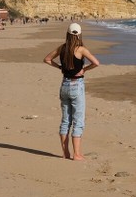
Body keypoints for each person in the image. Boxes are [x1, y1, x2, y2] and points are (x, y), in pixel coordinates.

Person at [43, 22, 100, 160]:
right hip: (76, 84)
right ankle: (77, 154)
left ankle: (65, 153)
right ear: (79, 34)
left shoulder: (62, 48)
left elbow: (47, 59)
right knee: (78, 121)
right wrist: (84, 69)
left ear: (68, 34)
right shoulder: (81, 49)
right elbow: (96, 63)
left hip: (64, 85)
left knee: (65, 120)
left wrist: (60, 67)